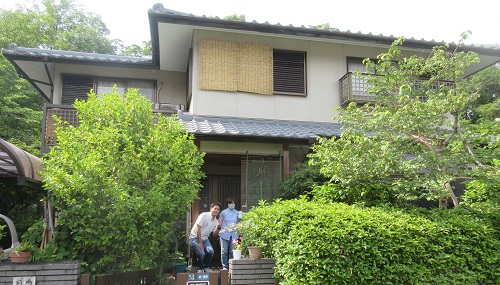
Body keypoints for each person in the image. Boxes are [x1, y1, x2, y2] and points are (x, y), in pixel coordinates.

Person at [189, 202, 222, 273]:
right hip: (194, 238)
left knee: (211, 252)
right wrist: (200, 243)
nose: (216, 211)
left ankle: (206, 267)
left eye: (218, 210)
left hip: (205, 239)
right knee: (201, 253)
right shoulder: (204, 215)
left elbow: (214, 235)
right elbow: (198, 228)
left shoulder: (216, 221)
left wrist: (219, 227)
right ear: (211, 209)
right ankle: (200, 268)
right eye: (215, 208)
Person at [218, 197, 240, 270]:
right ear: (227, 204)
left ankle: (232, 267)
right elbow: (220, 222)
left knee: (232, 251)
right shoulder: (223, 213)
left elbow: (239, 223)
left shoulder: (237, 213)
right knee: (224, 251)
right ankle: (225, 267)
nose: (231, 204)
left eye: (233, 203)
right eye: (230, 203)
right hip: (224, 234)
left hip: (234, 234)